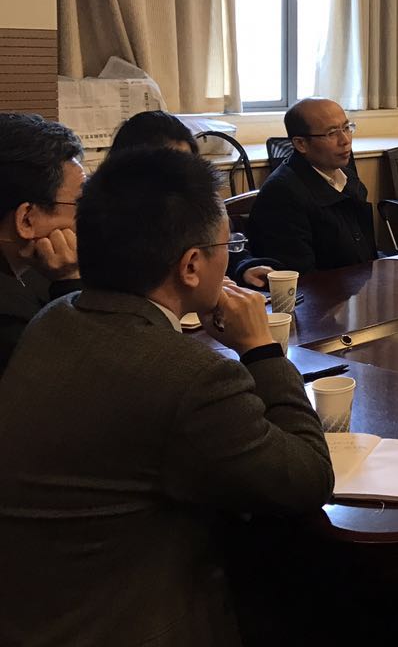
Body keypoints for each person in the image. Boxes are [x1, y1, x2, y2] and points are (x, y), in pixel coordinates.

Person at [0, 147, 333, 647]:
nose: (230, 256)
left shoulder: (55, 318)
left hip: (36, 607)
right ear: (191, 265)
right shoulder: (190, 377)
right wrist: (261, 351)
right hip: (126, 623)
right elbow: (307, 478)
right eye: (227, 244)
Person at [108, 110, 277, 287]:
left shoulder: (190, 197)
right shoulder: (114, 217)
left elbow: (218, 245)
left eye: (188, 164)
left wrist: (244, 268)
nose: (183, 176)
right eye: (172, 167)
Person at [248, 98, 375, 274]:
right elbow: (299, 275)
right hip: (323, 288)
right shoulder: (281, 194)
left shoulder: (347, 177)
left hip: (359, 280)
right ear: (301, 144)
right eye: (331, 133)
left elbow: (364, 251)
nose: (345, 140)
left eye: (347, 128)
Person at [0, 114, 84, 376]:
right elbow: (82, 378)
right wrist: (70, 281)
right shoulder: (9, 321)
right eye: (80, 204)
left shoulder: (28, 268)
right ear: (26, 219)